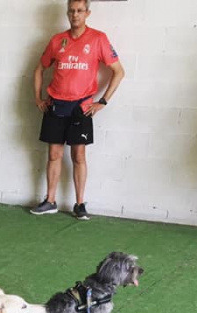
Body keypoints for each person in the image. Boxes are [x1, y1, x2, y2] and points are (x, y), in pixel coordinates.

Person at [30, 0, 125, 220]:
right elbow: (39, 69)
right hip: (56, 105)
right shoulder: (57, 41)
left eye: (80, 11)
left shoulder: (98, 39)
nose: (75, 15)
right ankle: (50, 201)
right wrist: (38, 98)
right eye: (71, 11)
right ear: (67, 13)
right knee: (54, 154)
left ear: (87, 13)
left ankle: (80, 204)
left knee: (79, 156)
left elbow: (118, 71)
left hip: (81, 107)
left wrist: (102, 102)